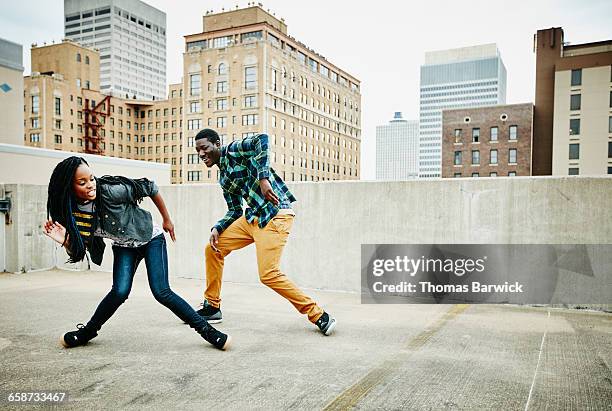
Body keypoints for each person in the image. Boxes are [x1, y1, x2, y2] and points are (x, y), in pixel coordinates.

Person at [43, 156, 230, 350]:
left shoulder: (110, 191)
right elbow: (79, 251)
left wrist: (167, 220)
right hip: (124, 245)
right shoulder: (73, 213)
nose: (91, 185)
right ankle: (87, 332)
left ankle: (209, 332)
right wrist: (65, 240)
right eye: (82, 182)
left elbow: (150, 187)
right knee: (119, 292)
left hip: (150, 238)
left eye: (91, 178)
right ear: (68, 187)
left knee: (162, 292)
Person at [193, 128, 336, 336]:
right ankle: (212, 306)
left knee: (268, 274)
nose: (201, 154)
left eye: (204, 148)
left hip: (276, 213)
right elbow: (234, 210)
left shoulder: (233, 150)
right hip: (253, 218)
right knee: (213, 248)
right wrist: (218, 227)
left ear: (216, 143)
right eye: (197, 151)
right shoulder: (223, 178)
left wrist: (263, 178)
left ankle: (318, 314)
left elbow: (263, 139)